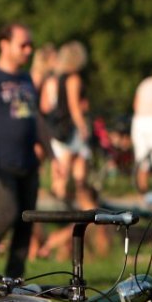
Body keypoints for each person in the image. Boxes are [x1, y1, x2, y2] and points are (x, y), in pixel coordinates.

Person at [0, 23, 48, 282]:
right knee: (8, 212)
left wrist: (52, 154)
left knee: (26, 221)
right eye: (22, 45)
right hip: (1, 162)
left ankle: (14, 280)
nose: (28, 50)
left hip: (28, 163)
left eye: (30, 45)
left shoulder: (25, 79)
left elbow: (35, 118)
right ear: (4, 43)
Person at [41, 40, 91, 201]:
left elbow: (48, 105)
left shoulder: (56, 79)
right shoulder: (73, 79)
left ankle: (65, 201)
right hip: (70, 129)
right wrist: (83, 127)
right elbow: (74, 106)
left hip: (59, 127)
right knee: (73, 170)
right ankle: (65, 203)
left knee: (66, 169)